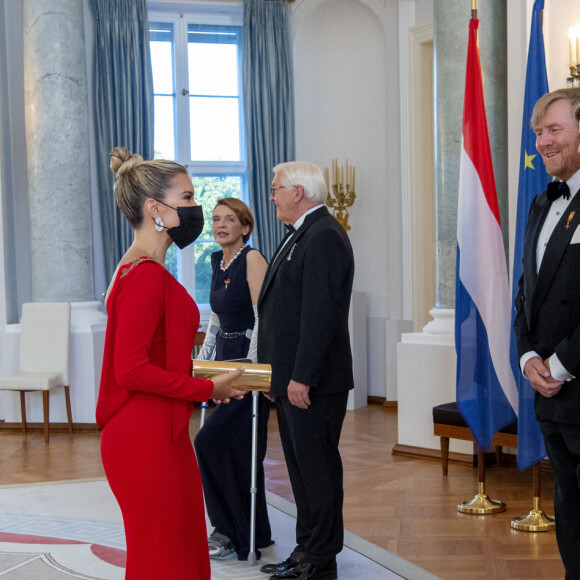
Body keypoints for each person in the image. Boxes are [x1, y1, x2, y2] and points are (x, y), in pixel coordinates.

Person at [96, 146, 246, 580]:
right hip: (144, 438)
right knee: (164, 560)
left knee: (178, 552)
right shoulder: (143, 275)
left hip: (162, 429)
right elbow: (131, 371)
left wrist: (207, 378)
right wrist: (206, 389)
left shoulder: (141, 268)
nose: (197, 208)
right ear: (154, 208)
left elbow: (159, 359)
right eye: (188, 197)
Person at [257, 162, 355, 580]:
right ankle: (305, 551)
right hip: (292, 378)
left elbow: (320, 316)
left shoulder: (325, 236)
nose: (272, 195)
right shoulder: (301, 234)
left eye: (276, 188)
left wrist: (301, 377)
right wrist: (274, 377)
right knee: (301, 471)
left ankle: (320, 560)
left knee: (317, 471)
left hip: (312, 381)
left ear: (298, 192)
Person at [514, 87, 580, 580]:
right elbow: (525, 291)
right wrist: (527, 357)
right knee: (570, 512)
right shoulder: (541, 201)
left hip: (575, 377)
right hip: (550, 392)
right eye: (538, 132)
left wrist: (559, 364)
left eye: (554, 129)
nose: (543, 141)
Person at [194, 198, 273, 561]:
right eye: (216, 219)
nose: (221, 224)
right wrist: (204, 358)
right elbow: (216, 317)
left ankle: (228, 530)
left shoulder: (253, 259)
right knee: (235, 450)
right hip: (223, 361)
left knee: (213, 443)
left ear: (245, 227)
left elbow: (262, 317)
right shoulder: (215, 260)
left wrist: (254, 369)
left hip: (246, 362)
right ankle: (250, 532)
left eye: (230, 219)